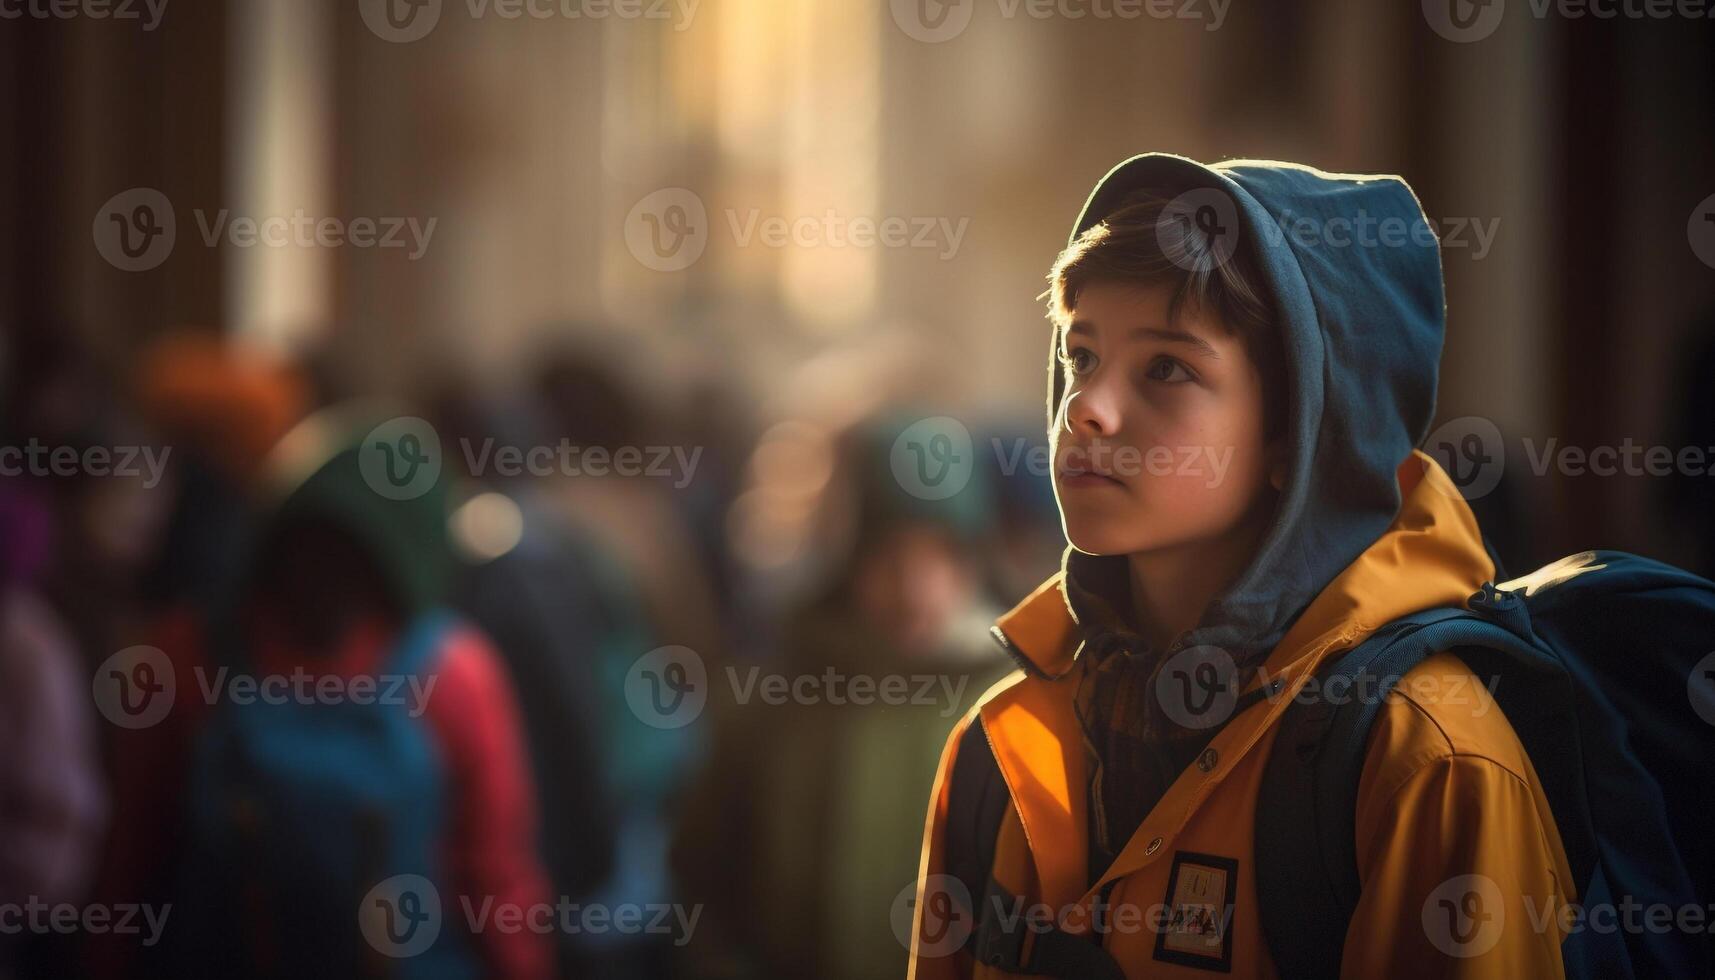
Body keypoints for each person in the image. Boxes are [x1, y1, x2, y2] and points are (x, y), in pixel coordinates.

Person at [910, 155, 1572, 978]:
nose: (1086, 405)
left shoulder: (1423, 761)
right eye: (1081, 354)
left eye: (1165, 368)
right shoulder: (997, 743)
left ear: (1296, 435)